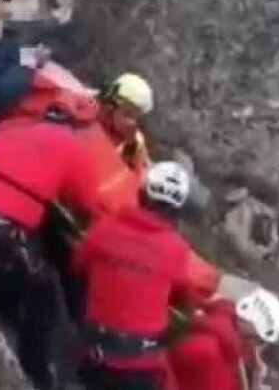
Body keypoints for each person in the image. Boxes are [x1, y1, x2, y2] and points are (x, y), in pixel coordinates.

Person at [0, 118, 105, 389]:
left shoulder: (13, 125)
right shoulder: (74, 149)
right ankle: (38, 375)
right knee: (45, 293)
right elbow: (89, 205)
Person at [73, 161, 207, 390]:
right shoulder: (176, 248)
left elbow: (78, 267)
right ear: (178, 209)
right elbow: (185, 298)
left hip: (94, 355)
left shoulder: (104, 227)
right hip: (140, 366)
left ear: (142, 193)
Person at [169, 289, 279, 390]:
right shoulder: (209, 351)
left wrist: (255, 374)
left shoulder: (228, 331)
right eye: (260, 342)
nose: (258, 347)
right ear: (250, 332)